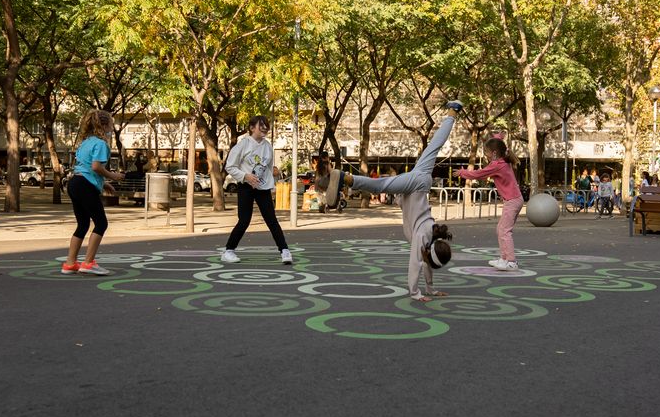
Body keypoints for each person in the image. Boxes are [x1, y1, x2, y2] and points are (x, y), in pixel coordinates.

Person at [317, 101, 463, 300]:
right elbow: (417, 263)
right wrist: (416, 293)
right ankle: (345, 178)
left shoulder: (431, 237)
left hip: (421, 181)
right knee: (380, 186)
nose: (426, 259)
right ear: (430, 252)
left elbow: (426, 262)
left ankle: (452, 112)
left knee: (434, 146)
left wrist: (431, 289)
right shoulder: (423, 238)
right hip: (417, 185)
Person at [220, 115, 293, 265]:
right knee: (244, 220)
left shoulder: (267, 146)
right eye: (262, 125)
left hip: (262, 188)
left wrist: (272, 180)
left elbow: (267, 169)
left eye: (267, 125)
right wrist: (245, 176)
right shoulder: (243, 145)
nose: (265, 128)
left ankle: (284, 250)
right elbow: (230, 166)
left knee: (271, 220)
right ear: (252, 128)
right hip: (246, 187)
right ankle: (229, 251)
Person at [63, 109, 125, 275]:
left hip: (75, 183)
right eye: (111, 123)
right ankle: (89, 263)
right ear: (104, 125)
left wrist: (103, 184)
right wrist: (114, 176)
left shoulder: (86, 142)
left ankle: (70, 263)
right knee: (101, 223)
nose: (113, 126)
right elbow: (96, 167)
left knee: (83, 224)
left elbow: (85, 167)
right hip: (84, 185)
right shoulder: (101, 144)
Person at [456, 135, 523, 271]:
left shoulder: (497, 165)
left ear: (493, 153)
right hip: (514, 200)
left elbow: (479, 174)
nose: (485, 156)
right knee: (501, 229)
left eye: (486, 153)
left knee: (504, 231)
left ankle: (511, 261)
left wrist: (463, 172)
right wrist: (497, 138)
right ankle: (504, 259)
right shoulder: (503, 161)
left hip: (512, 201)